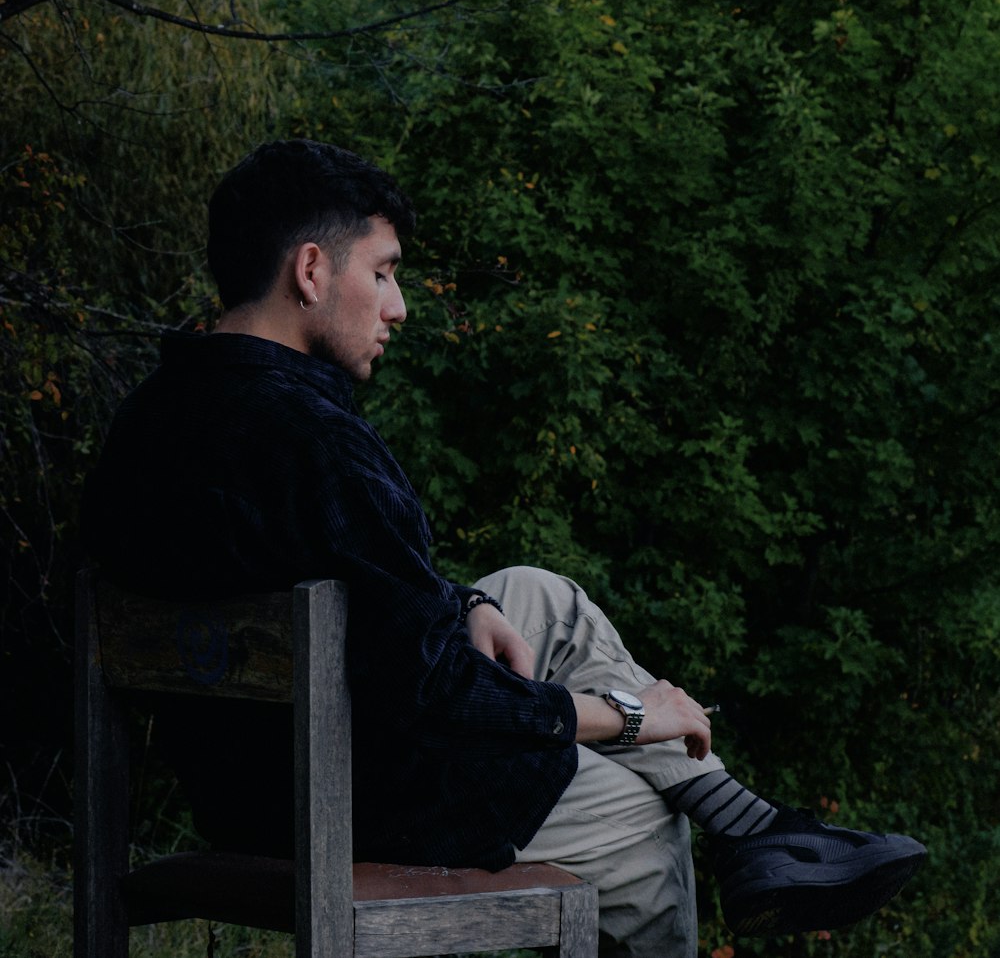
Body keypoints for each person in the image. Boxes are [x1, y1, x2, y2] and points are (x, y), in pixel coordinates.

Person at [82, 139, 926, 956]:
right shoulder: (317, 441)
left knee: (533, 593)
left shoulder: (147, 421)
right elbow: (437, 693)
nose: (398, 305)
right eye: (381, 272)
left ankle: (754, 827)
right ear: (310, 271)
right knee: (643, 818)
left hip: (249, 780)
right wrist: (631, 720)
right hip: (350, 796)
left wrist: (470, 605)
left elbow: (361, 595)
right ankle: (733, 824)